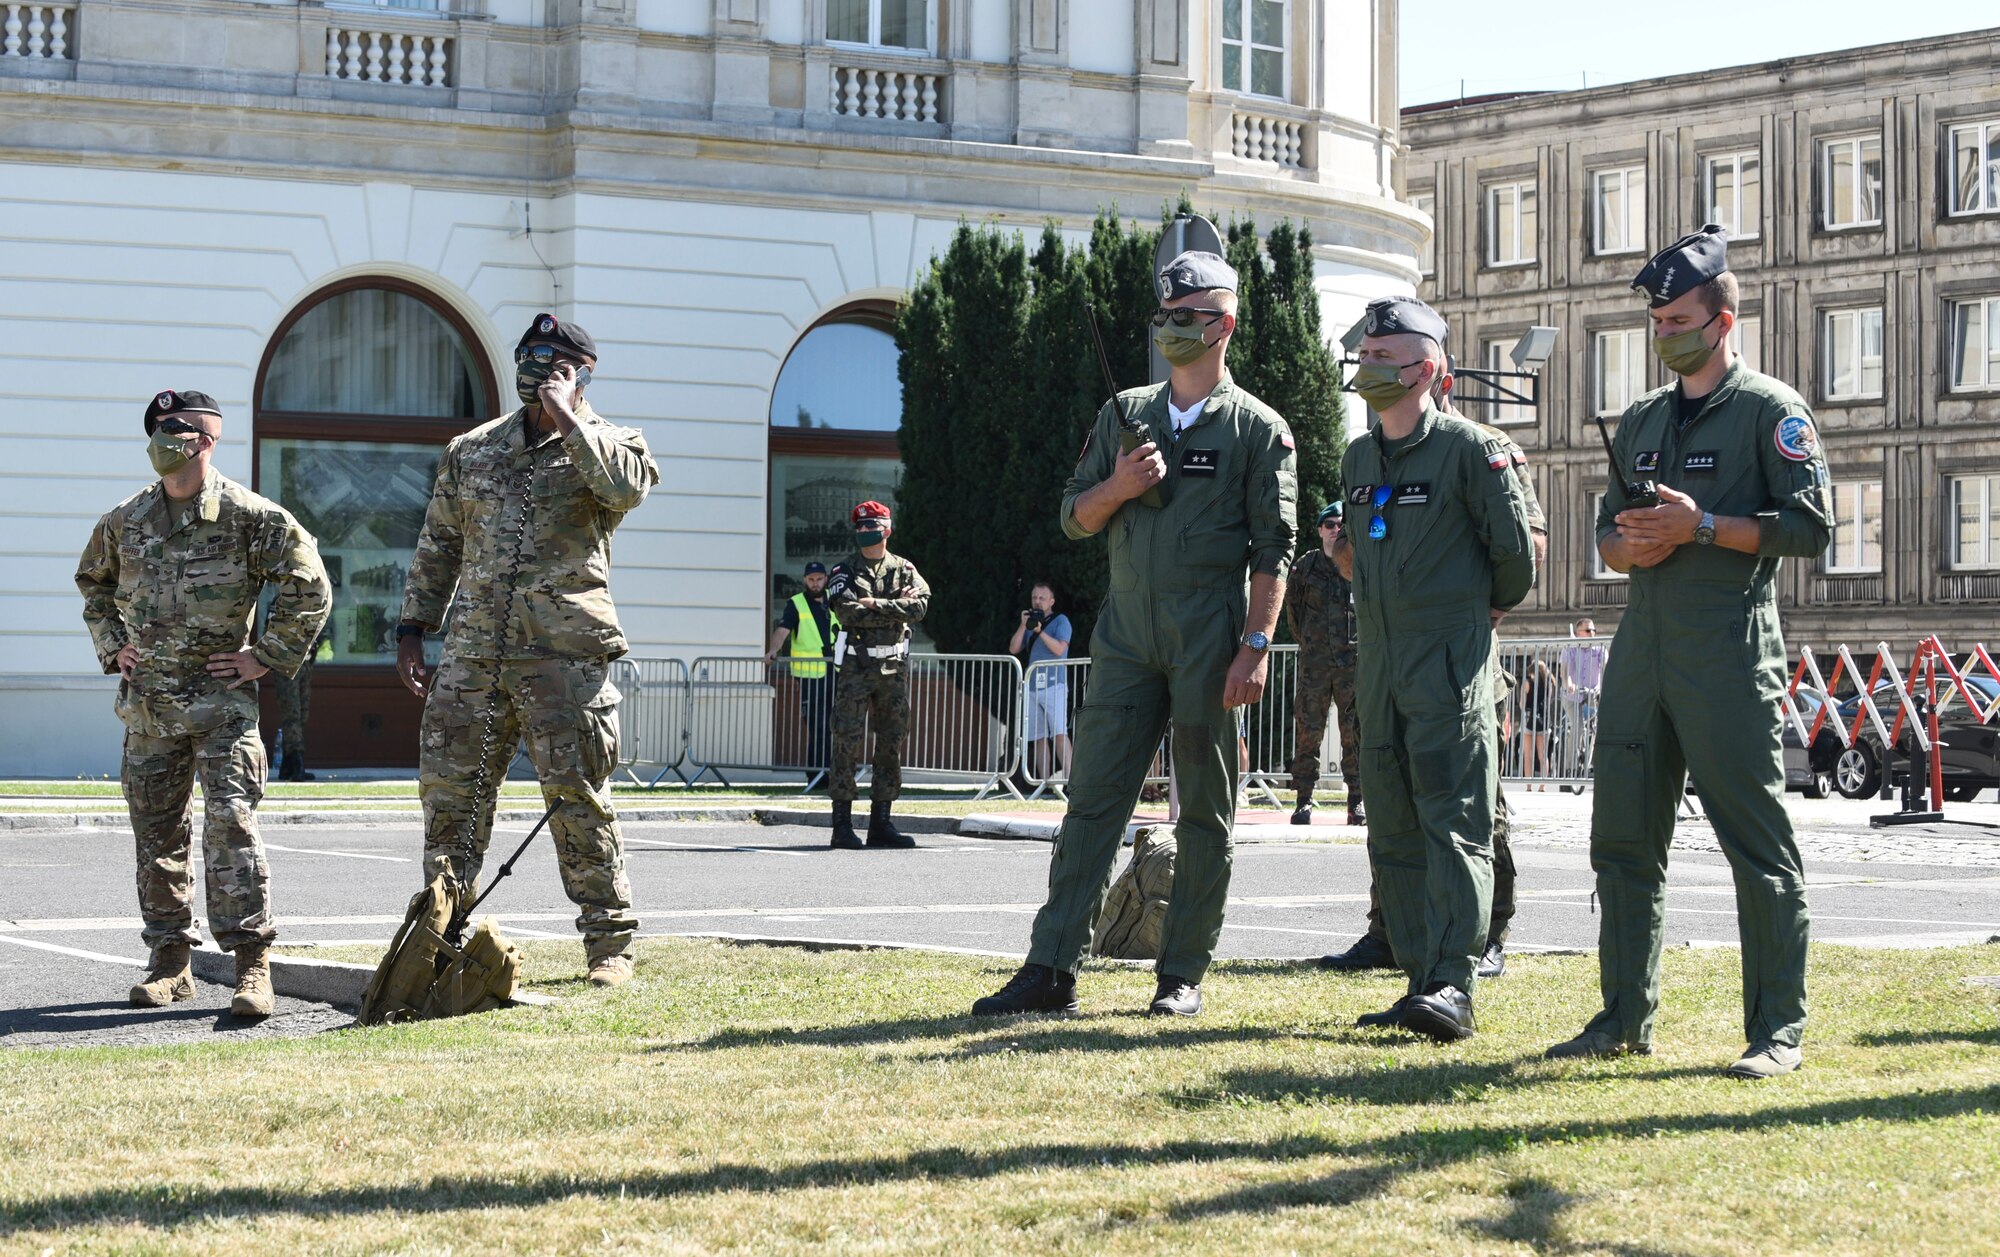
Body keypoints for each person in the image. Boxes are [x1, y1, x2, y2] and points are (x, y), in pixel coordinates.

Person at [973, 249, 1297, 1018]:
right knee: (1091, 802)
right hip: (1126, 637)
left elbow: (1273, 549)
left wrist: (1255, 646)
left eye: (1187, 317)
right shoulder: (1125, 414)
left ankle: (1180, 972)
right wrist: (1119, 485)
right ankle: (1051, 966)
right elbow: (1072, 516)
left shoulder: (1259, 429)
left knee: (1204, 810)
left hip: (1208, 638)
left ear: (1224, 324)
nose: (1171, 328)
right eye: (1164, 316)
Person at [1546, 226, 1832, 1079]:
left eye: (1679, 318)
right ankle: (1623, 1016)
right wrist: (1635, 545)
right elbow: (1607, 541)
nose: (1665, 332)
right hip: (1644, 651)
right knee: (1624, 838)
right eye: (1657, 320)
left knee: (1758, 843)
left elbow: (1811, 526)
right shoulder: (1638, 420)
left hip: (1730, 652)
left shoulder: (1770, 411)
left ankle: (1776, 1029)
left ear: (1723, 318)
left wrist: (1701, 526)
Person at [396, 313, 659, 988]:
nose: (535, 369)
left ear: (582, 372)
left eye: (552, 361)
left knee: (578, 798)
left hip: (563, 655)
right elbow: (440, 543)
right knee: (452, 800)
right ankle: (437, 937)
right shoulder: (473, 450)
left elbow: (624, 490)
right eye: (528, 357)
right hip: (475, 657)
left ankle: (609, 944)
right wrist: (412, 627)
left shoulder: (614, 443)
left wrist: (570, 421)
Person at [76, 389, 332, 1016]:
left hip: (222, 707)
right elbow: (94, 584)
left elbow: (310, 586)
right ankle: (169, 964)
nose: (164, 438)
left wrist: (264, 656)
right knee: (156, 836)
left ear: (206, 440)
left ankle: (251, 966)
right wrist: (114, 647)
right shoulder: (125, 519)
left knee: (231, 828)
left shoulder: (251, 517)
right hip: (150, 710)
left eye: (177, 429)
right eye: (157, 429)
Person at [1339, 296, 1535, 1042]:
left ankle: (1454, 979)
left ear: (1425, 369)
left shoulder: (1469, 449)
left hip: (1448, 667)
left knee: (1455, 824)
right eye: (1365, 356)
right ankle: (1420, 976)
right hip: (1381, 666)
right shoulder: (1360, 458)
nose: (1368, 367)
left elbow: (1513, 564)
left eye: (1382, 358)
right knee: (1390, 824)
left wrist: (1465, 618)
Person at [824, 500, 930, 850]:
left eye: (872, 525)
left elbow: (920, 607)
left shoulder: (904, 568)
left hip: (893, 671)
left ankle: (880, 823)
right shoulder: (845, 569)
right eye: (860, 526)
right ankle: (842, 825)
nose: (865, 531)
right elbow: (847, 612)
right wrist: (893, 606)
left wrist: (874, 604)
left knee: (890, 745)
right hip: (857, 667)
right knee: (846, 743)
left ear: (886, 529)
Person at [1286, 502, 1362, 827]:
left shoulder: (1358, 564)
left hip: (1350, 666)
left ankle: (1356, 803)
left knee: (1354, 735)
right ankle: (1303, 801)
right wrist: (1310, 644)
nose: (1335, 530)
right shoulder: (1305, 566)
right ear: (1319, 530)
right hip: (1315, 666)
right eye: (1329, 525)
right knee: (1308, 734)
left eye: (1340, 525)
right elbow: (1293, 613)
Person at [765, 560, 840, 776]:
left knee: (837, 725)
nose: (815, 583)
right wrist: (773, 650)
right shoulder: (796, 604)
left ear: (826, 579)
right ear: (804, 581)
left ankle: (833, 774)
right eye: (811, 579)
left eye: (819, 579)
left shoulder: (835, 602)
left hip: (837, 673)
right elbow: (782, 630)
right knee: (817, 726)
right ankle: (817, 774)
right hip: (811, 676)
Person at [1010, 581, 1073, 781]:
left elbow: (1059, 649)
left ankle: (1072, 783)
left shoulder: (1061, 621)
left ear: (1051, 601)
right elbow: (1013, 649)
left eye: (1042, 598)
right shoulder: (1030, 623)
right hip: (1033, 686)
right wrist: (1023, 626)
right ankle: (1044, 783)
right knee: (1038, 737)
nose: (1037, 602)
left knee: (1060, 734)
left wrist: (1039, 632)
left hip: (1055, 684)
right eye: (1034, 597)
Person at [267, 621, 328, 781]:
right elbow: (271, 631)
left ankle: (287, 766)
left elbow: (321, 628)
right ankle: (297, 763)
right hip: (287, 665)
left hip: (306, 663)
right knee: (291, 714)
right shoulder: (279, 603)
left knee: (302, 715)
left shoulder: (314, 600)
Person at [1559, 619, 1604, 775]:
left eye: (1593, 630)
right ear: (1578, 633)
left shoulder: (1599, 648)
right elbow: (1564, 671)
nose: (1592, 633)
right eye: (1588, 631)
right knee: (1577, 726)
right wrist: (1569, 684)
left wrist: (1604, 687)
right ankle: (1570, 768)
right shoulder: (1570, 648)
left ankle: (1590, 760)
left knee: (1598, 726)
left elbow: (1606, 667)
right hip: (1572, 695)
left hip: (1592, 692)